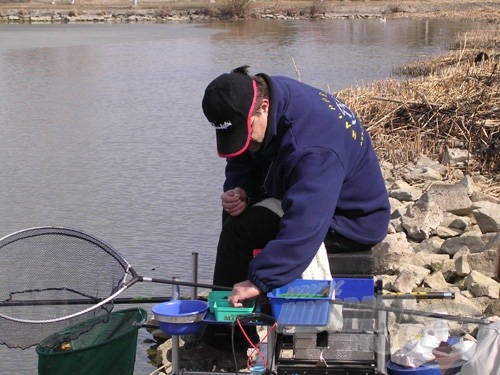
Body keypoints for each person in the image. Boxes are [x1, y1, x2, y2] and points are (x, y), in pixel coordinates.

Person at [198, 65, 390, 360]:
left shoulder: (313, 147)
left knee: (242, 230)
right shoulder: (269, 95)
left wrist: (260, 281)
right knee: (237, 214)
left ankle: (227, 344)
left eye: (245, 132)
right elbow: (244, 154)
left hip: (352, 218)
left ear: (262, 107)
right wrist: (240, 188)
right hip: (300, 190)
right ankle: (232, 318)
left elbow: (305, 225)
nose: (244, 141)